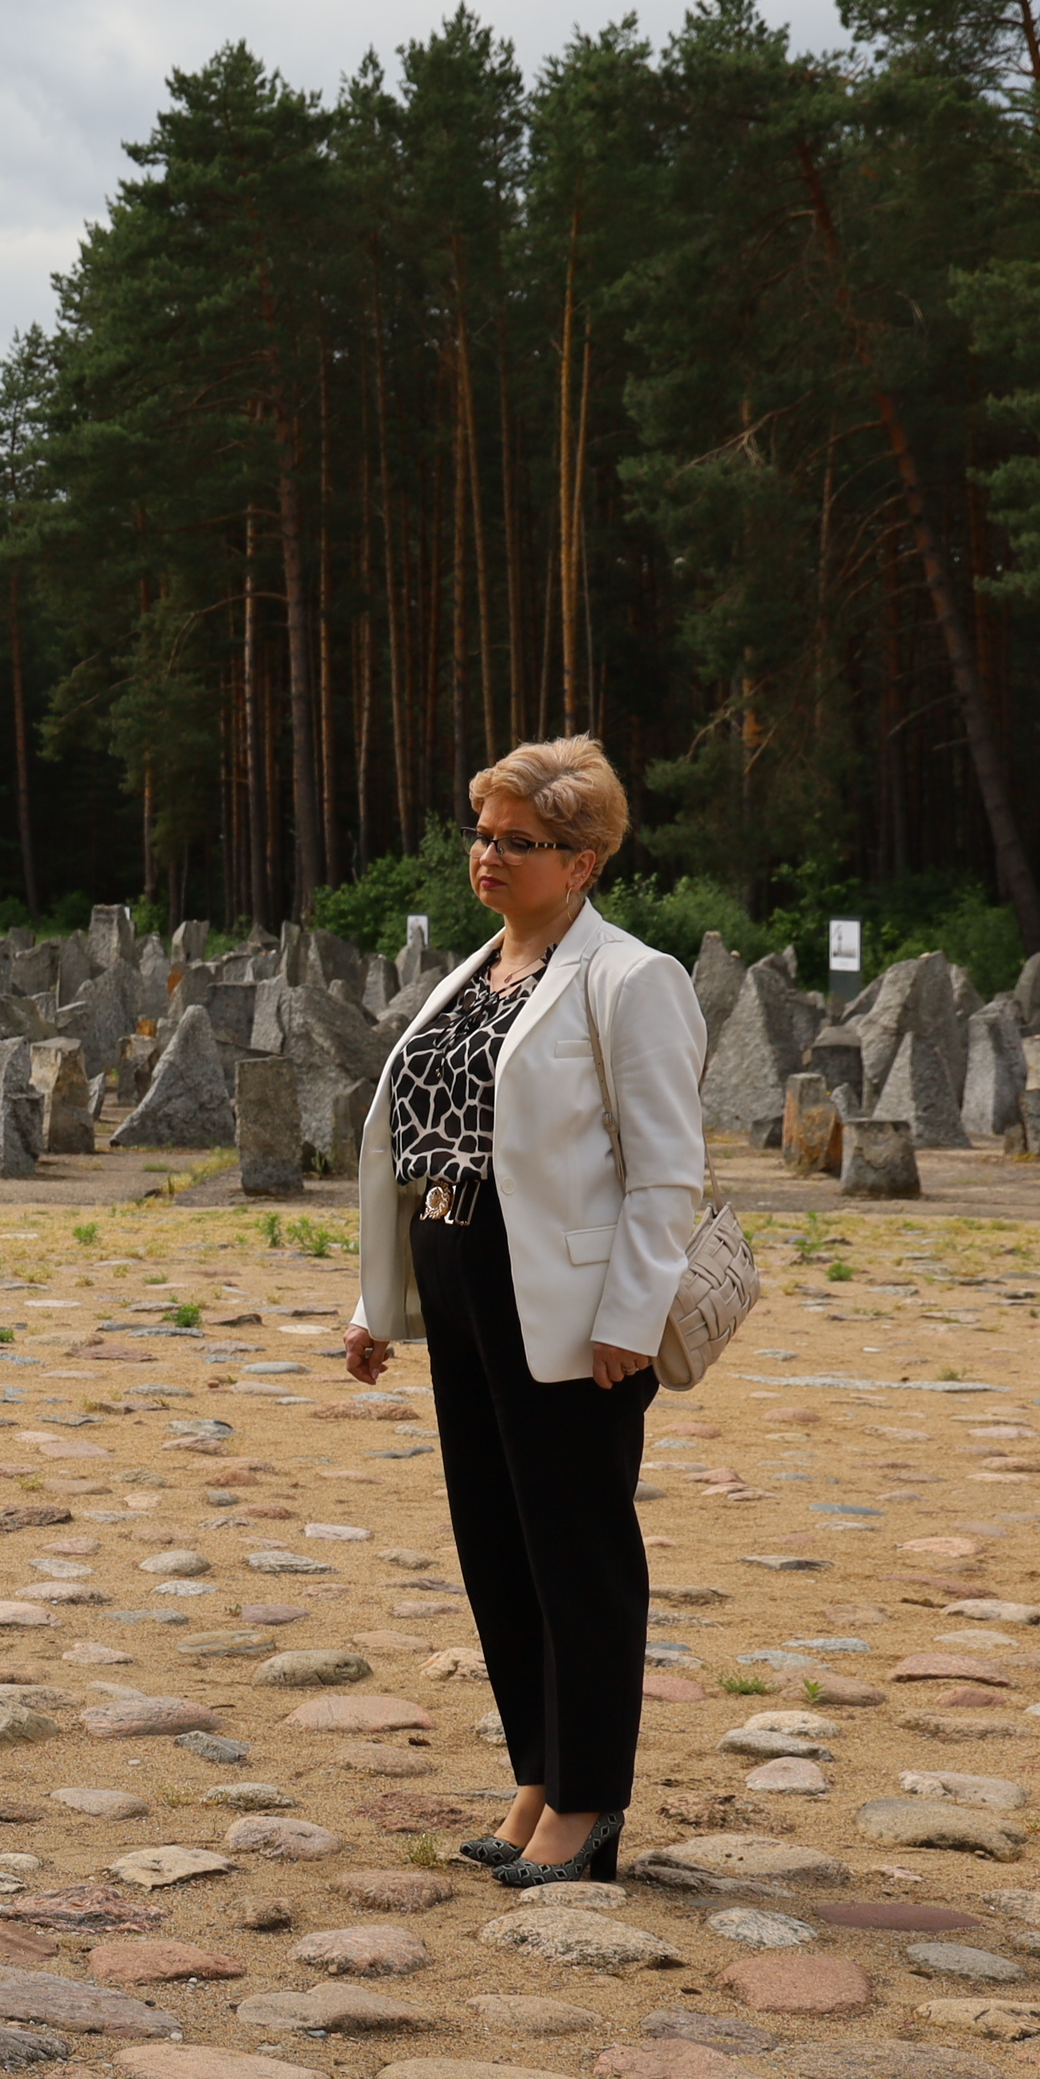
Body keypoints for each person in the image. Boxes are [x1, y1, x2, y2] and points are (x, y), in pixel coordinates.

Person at [338, 737, 706, 1889]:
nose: (486, 855)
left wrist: (630, 1316)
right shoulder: (473, 971)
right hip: (457, 1275)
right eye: (481, 833)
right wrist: (376, 1299)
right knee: (495, 1542)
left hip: (570, 1299)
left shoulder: (630, 978)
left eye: (516, 840)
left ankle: (589, 1801)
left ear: (583, 860)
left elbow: (664, 1170)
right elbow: (421, 1146)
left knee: (577, 1551)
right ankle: (536, 1775)